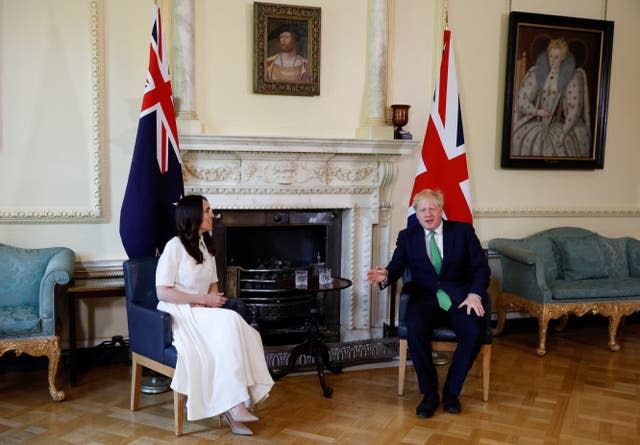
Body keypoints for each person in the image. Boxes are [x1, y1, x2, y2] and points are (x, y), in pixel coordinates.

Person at [155, 194, 274, 436]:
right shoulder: (174, 247)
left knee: (247, 332)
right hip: (179, 311)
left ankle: (235, 404)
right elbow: (162, 291)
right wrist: (202, 301)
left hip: (203, 309)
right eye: (208, 211)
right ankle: (234, 406)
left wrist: (211, 303)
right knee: (231, 321)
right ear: (193, 216)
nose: (213, 215)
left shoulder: (206, 245)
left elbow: (213, 284)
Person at [367, 189, 490, 418]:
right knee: (415, 330)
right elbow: (396, 266)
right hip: (424, 298)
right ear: (416, 213)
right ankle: (430, 394)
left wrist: (475, 294)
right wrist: (385, 275)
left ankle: (451, 392)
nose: (428, 213)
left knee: (474, 332)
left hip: (460, 297)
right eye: (422, 209)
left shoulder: (463, 232)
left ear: (441, 210)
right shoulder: (407, 236)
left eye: (432, 208)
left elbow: (480, 268)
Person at [511, 37, 591, 158]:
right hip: (537, 125)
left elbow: (574, 109)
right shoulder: (538, 73)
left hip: (558, 127)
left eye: (556, 57)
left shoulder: (571, 78)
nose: (552, 61)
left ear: (563, 58)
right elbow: (522, 99)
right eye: (550, 56)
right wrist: (537, 111)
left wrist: (564, 133)